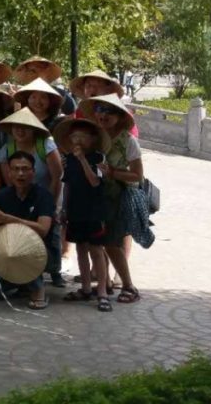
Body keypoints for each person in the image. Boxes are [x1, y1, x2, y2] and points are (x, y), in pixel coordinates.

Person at [80, 94, 144, 305]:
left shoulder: (128, 141)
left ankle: (128, 286)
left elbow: (137, 175)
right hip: (95, 196)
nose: (103, 115)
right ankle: (104, 283)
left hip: (119, 199)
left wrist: (113, 173)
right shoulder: (94, 138)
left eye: (110, 111)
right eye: (99, 109)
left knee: (111, 243)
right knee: (96, 242)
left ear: (120, 116)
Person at [0, 150, 54, 309]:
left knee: (22, 251)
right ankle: (21, 283)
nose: (20, 173)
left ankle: (37, 288)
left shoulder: (43, 195)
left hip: (39, 251)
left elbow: (43, 229)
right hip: (6, 252)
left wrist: (9, 219)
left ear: (33, 172)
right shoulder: (3, 195)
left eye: (25, 169)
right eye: (15, 169)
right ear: (9, 173)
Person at [0, 108, 65, 287]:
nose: (20, 131)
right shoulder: (6, 150)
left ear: (33, 128)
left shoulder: (46, 146)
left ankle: (55, 270)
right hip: (22, 196)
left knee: (52, 231)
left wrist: (51, 204)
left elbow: (57, 176)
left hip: (48, 193)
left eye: (25, 127)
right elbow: (10, 181)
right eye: (16, 127)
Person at [53, 119, 112, 312]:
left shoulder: (99, 158)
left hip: (94, 210)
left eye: (82, 136)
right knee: (80, 249)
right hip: (75, 210)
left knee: (96, 250)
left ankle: (102, 291)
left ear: (92, 139)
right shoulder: (68, 159)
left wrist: (82, 160)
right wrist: (63, 209)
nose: (77, 140)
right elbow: (67, 185)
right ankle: (86, 288)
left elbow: (95, 182)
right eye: (74, 136)